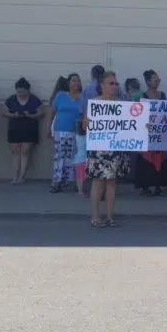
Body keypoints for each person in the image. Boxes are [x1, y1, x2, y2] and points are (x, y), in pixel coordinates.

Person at [84, 71, 124, 227]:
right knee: (98, 182)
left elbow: (129, 125)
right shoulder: (94, 103)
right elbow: (84, 125)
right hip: (99, 148)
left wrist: (142, 127)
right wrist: (87, 123)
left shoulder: (121, 103)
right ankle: (95, 216)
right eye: (111, 83)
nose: (114, 86)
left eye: (116, 83)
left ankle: (109, 216)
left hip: (115, 148)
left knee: (112, 182)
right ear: (102, 85)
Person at [3, 77, 44, 184]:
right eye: (18, 91)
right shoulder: (11, 99)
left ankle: (22, 177)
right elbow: (4, 112)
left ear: (28, 90)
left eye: (23, 91)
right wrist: (14, 115)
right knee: (15, 152)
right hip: (14, 128)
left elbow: (41, 113)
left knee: (25, 152)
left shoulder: (34, 99)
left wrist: (30, 115)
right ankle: (14, 176)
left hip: (29, 128)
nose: (20, 93)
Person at [135, 69, 167, 196]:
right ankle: (145, 186)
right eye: (155, 79)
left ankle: (158, 185)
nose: (158, 81)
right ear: (148, 81)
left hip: (159, 133)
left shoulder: (163, 95)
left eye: (158, 79)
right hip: (146, 133)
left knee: (160, 158)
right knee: (146, 159)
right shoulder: (142, 97)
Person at [47, 73, 83, 192]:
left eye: (78, 81)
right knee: (59, 156)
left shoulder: (83, 97)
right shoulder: (60, 95)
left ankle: (72, 181)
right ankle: (56, 181)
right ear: (68, 83)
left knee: (74, 156)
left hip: (76, 131)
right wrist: (48, 127)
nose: (76, 83)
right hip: (60, 130)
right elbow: (52, 112)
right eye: (73, 81)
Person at [73, 120, 87, 197]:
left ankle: (78, 188)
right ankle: (80, 191)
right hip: (83, 159)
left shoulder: (76, 136)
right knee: (81, 177)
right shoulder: (87, 137)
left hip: (76, 159)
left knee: (79, 176)